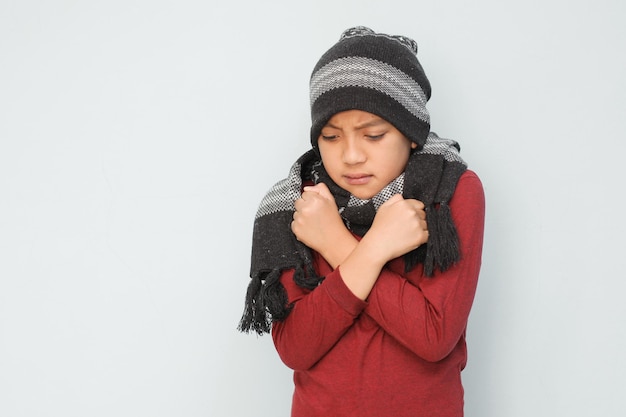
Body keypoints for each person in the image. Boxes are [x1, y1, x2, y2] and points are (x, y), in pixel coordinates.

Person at [238, 26, 485, 417]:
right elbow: (296, 348)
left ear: (411, 133)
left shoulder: (448, 191)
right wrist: (372, 250)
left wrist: (336, 244)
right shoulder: (300, 202)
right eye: (331, 137)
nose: (351, 156)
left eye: (373, 135)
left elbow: (434, 335)